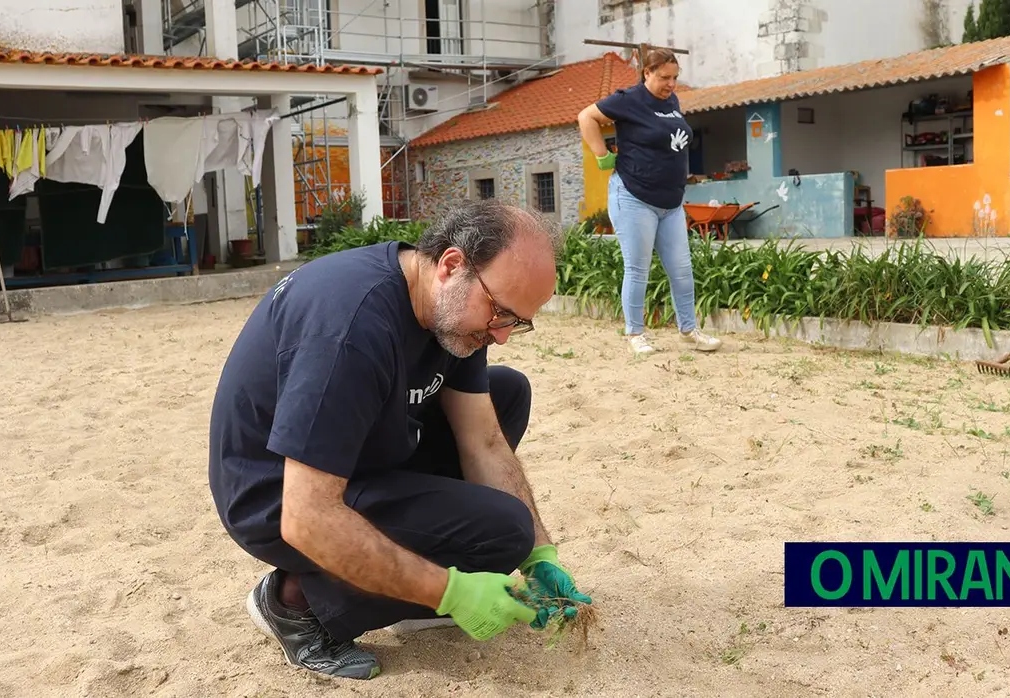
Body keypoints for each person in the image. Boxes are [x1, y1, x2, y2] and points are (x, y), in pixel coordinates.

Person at [207, 199, 593, 681]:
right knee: (502, 531)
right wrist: (449, 591)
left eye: (516, 321)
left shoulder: (449, 308)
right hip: (276, 495)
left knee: (507, 392)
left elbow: (484, 442)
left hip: (356, 454)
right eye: (499, 313)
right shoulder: (351, 330)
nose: (502, 335)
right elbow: (306, 517)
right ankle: (295, 604)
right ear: (452, 264)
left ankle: (409, 585)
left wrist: (539, 555)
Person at [578, 48, 722, 357]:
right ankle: (635, 334)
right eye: (664, 77)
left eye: (675, 78)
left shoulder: (671, 101)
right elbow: (586, 116)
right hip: (633, 196)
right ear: (647, 73)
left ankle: (688, 331)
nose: (671, 84)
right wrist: (602, 156)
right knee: (638, 268)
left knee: (682, 269)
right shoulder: (629, 99)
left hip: (670, 203)